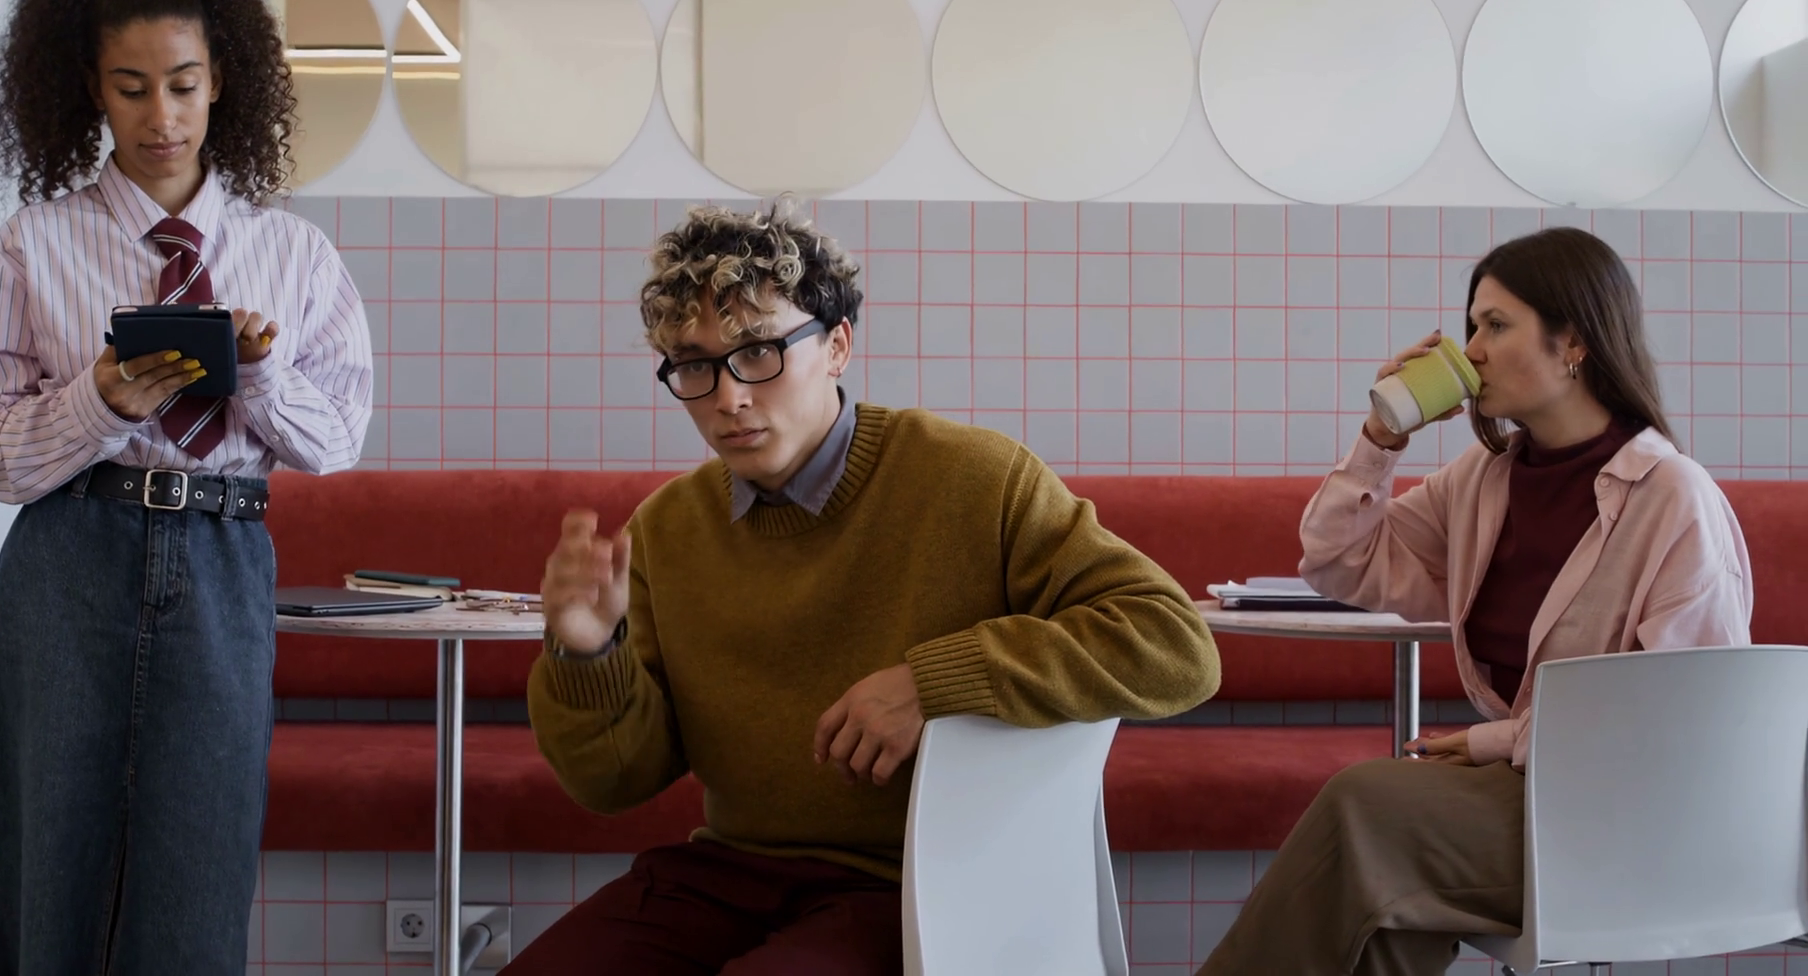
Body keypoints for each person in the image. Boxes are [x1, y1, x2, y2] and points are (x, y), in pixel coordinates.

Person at [504, 202, 1222, 974]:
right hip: (727, 872)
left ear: (837, 346)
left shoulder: (974, 478)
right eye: (694, 364)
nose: (727, 398)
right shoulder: (667, 528)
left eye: (759, 352)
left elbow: (1175, 646)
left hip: (915, 883)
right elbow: (615, 783)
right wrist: (588, 653)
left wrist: (933, 683)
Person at [0, 0, 373, 974]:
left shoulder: (295, 255)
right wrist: (98, 401)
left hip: (223, 563)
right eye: (131, 88)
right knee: (41, 863)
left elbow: (336, 441)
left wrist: (257, 372)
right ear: (92, 88)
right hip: (66, 563)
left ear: (222, 81)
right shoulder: (34, 245)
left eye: (182, 84)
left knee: (195, 866)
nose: (161, 117)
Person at [1199, 226, 1753, 976]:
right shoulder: (1485, 479)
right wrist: (1381, 437)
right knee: (1387, 917)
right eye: (1472, 328)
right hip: (1534, 794)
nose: (1472, 351)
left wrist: (1500, 741)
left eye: (1495, 325)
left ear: (1574, 342)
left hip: (1633, 815)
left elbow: (1687, 718)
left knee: (1367, 803)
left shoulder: (1671, 494)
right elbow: (1337, 560)